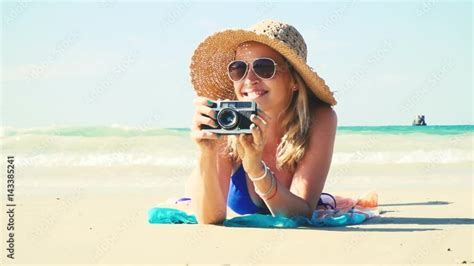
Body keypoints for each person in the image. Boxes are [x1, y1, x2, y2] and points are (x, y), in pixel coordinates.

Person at [187, 20, 338, 224]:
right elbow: (210, 219)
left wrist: (256, 169)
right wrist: (206, 152)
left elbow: (301, 215)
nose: (249, 79)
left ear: (293, 80)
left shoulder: (319, 118)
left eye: (264, 67)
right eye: (239, 69)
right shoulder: (227, 120)